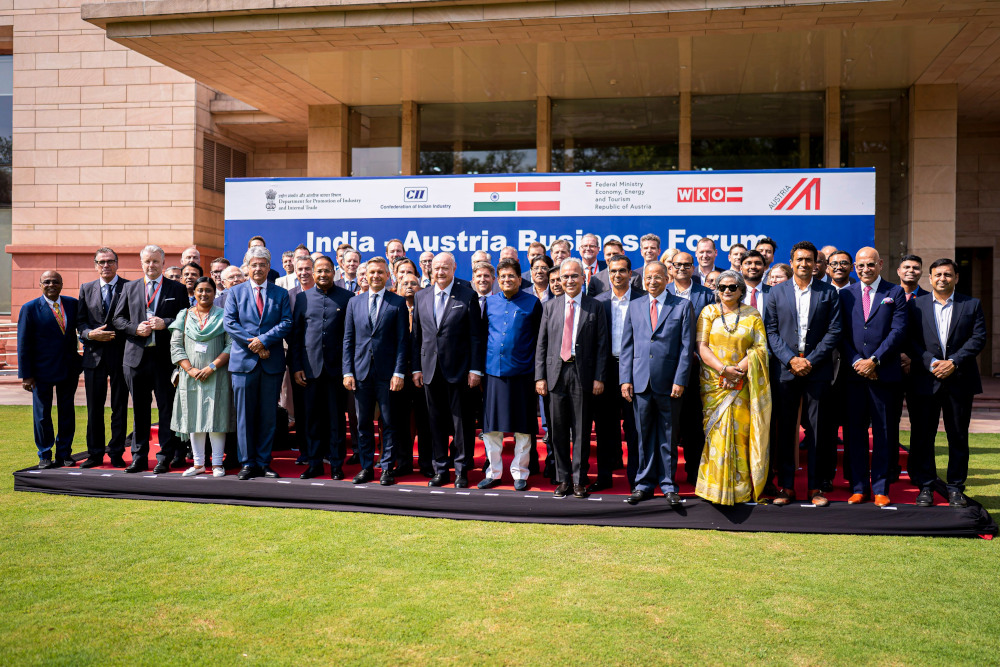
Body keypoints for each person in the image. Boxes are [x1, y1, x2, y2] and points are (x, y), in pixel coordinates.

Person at [764, 241, 842, 507]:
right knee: (785, 430)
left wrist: (810, 360)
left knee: (818, 430)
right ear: (792, 261)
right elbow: (771, 332)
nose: (804, 264)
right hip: (785, 371)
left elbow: (834, 331)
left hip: (816, 370)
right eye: (799, 259)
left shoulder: (828, 292)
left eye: (809, 260)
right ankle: (785, 486)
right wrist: (790, 360)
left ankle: (815, 487)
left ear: (816, 264)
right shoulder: (776, 293)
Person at [907, 258, 987, 508]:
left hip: (959, 380)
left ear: (956, 278)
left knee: (958, 436)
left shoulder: (971, 304)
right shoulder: (915, 306)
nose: (942, 278)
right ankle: (926, 486)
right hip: (924, 380)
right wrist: (931, 362)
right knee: (922, 436)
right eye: (937, 274)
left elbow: (978, 338)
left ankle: (955, 488)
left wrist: (953, 361)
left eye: (947, 274)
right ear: (929, 279)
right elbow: (908, 340)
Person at [620, 261, 695, 507]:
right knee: (642, 436)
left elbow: (686, 348)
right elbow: (627, 346)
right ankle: (643, 485)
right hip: (640, 382)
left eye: (657, 277)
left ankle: (668, 485)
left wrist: (680, 380)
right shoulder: (634, 306)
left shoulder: (682, 306)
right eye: (648, 278)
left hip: (669, 383)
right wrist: (625, 379)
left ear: (667, 278)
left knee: (668, 436)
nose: (652, 281)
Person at [838, 247, 907, 507]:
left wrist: (875, 360)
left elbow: (898, 331)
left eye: (869, 265)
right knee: (854, 434)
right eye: (860, 266)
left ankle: (880, 488)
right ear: (855, 267)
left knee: (883, 433)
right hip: (854, 376)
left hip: (883, 374)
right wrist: (857, 361)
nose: (865, 270)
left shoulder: (895, 292)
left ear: (880, 264)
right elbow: (840, 333)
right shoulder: (846, 294)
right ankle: (858, 487)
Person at [695, 270, 771, 504]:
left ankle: (739, 488)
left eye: (732, 287)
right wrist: (722, 369)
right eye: (722, 287)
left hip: (742, 383)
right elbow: (702, 346)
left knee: (740, 433)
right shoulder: (708, 312)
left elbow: (760, 348)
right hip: (714, 383)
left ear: (741, 290)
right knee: (716, 434)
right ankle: (712, 487)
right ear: (716, 290)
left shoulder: (753, 315)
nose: (727, 291)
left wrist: (737, 370)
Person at [535, 257, 608, 499]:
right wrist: (540, 377)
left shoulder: (595, 306)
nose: (569, 280)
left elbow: (601, 345)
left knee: (581, 430)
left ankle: (579, 480)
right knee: (557, 430)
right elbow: (542, 345)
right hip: (555, 375)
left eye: (574, 276)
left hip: (583, 375)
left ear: (583, 278)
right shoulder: (550, 306)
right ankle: (563, 478)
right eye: (565, 276)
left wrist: (599, 377)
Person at [412, 252, 485, 488]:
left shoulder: (467, 295)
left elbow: (476, 336)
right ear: (430, 270)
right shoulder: (421, 296)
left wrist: (475, 369)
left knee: (461, 423)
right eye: (436, 268)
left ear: (454, 268)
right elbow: (417, 338)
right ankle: (441, 469)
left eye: (445, 268)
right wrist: (416, 368)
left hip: (460, 371)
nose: (440, 272)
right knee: (435, 422)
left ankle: (462, 471)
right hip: (430, 371)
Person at [113, 245, 187, 472]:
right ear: (141, 263)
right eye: (147, 261)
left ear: (163, 263)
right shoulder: (129, 288)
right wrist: (136, 329)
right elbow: (118, 319)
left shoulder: (177, 288)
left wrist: (165, 322)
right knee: (139, 410)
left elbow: (185, 318)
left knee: (166, 409)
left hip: (164, 359)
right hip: (135, 359)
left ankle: (165, 455)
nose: (151, 265)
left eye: (156, 261)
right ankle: (139, 456)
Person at [223, 245, 292, 480]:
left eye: (263, 264)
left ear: (268, 267)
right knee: (244, 416)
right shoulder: (235, 293)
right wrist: (253, 344)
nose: (258, 268)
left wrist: (263, 341)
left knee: (268, 416)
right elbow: (230, 323)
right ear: (247, 268)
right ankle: (247, 462)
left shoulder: (280, 293)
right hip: (243, 364)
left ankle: (263, 461)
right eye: (254, 264)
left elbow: (286, 323)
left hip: (271, 362)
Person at [343, 257, 410, 485]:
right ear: (365, 275)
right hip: (360, 373)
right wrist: (347, 372)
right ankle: (366, 468)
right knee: (362, 425)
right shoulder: (354, 303)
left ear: (387, 275)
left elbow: (403, 341)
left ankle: (387, 469)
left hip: (388, 375)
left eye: (380, 272)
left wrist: (399, 373)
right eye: (372, 272)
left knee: (389, 423)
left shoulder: (397, 303)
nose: (375, 276)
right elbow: (348, 340)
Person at [479, 259, 543, 490]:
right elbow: (482, 335)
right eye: (502, 276)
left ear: (519, 278)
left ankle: (520, 473)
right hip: (493, 373)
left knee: (523, 428)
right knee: (491, 428)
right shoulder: (489, 302)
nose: (506, 280)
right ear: (498, 279)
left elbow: (539, 340)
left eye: (511, 276)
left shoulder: (533, 303)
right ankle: (494, 472)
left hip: (523, 373)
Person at [290, 256, 353, 480]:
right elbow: (296, 335)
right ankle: (314, 463)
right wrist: (296, 366)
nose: (323, 275)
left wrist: (348, 370)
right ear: (313, 274)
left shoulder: (347, 298)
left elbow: (350, 337)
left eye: (327, 271)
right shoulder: (302, 298)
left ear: (334, 272)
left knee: (336, 420)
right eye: (319, 271)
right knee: (312, 420)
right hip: (310, 370)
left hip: (337, 371)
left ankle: (336, 465)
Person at [169, 276, 233, 477]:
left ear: (215, 293)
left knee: (216, 418)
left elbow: (231, 345)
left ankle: (216, 464)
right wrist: (190, 370)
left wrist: (212, 367)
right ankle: (198, 464)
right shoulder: (184, 315)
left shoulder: (224, 315)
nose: (204, 294)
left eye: (208, 290)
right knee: (193, 418)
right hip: (190, 376)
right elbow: (176, 346)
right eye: (200, 290)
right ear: (194, 293)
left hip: (217, 375)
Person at [18, 271, 83, 469]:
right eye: (47, 282)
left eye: (55, 281)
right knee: (42, 415)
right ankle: (45, 454)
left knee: (67, 413)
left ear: (62, 284)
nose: (51, 285)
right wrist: (26, 375)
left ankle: (64, 453)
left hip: (68, 369)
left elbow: (82, 330)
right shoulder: (29, 308)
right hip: (40, 372)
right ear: (40, 285)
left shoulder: (72, 304)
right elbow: (23, 343)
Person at [593, 253, 644, 491]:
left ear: (630, 274)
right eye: (613, 271)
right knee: (604, 427)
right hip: (607, 371)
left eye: (622, 271)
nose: (617, 275)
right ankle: (604, 478)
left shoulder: (643, 300)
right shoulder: (598, 301)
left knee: (634, 429)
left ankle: (636, 480)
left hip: (635, 372)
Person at [77, 248, 129, 468]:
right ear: (95, 265)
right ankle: (95, 453)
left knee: (120, 407)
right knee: (94, 409)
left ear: (117, 263)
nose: (106, 265)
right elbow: (80, 322)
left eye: (110, 261)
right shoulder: (86, 289)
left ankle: (116, 451)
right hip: (94, 357)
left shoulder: (129, 286)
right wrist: (90, 334)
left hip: (121, 356)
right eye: (101, 262)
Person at [666, 251, 714, 484]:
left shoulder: (706, 295)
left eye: (687, 265)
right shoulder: (662, 293)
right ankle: (668, 475)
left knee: (694, 424)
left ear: (693, 267)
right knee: (670, 425)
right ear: (671, 268)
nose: (682, 268)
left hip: (697, 367)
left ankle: (695, 472)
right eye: (678, 265)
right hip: (667, 368)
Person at [395, 273, 433, 477]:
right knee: (401, 422)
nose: (409, 286)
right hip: (400, 373)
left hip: (423, 373)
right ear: (398, 287)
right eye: (405, 283)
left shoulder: (426, 308)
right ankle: (403, 463)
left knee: (424, 421)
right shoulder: (394, 308)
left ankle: (427, 464)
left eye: (414, 283)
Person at [740, 249, 770, 314]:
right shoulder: (735, 292)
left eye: (758, 263)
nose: (753, 266)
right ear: (741, 268)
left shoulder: (773, 292)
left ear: (764, 268)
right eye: (748, 263)